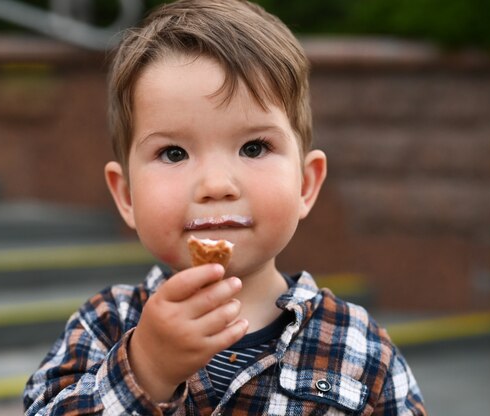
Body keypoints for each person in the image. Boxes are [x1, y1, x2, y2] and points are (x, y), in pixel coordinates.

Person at [23, 0, 426, 414]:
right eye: (174, 153)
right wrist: (147, 370)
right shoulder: (104, 324)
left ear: (305, 184)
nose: (216, 185)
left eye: (254, 147)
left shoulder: (359, 346)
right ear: (126, 196)